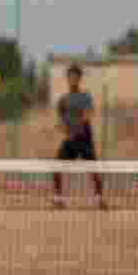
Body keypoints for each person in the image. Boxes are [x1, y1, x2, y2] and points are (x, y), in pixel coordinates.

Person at [52, 64, 107, 210]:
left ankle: (99, 199)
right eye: (70, 76)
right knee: (57, 166)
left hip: (84, 138)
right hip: (70, 139)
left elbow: (88, 114)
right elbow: (60, 119)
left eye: (76, 77)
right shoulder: (62, 100)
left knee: (93, 169)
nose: (73, 79)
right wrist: (64, 128)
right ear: (67, 78)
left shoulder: (85, 96)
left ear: (80, 79)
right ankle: (57, 199)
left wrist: (77, 128)